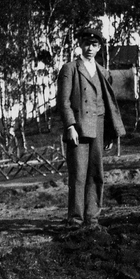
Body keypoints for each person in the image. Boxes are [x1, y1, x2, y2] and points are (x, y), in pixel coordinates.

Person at [56, 27, 127, 228]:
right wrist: (70, 125)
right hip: (78, 128)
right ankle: (76, 220)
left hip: (98, 127)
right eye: (86, 44)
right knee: (78, 174)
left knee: (96, 173)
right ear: (80, 45)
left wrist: (110, 133)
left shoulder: (103, 72)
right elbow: (63, 101)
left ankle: (92, 218)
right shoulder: (70, 69)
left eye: (94, 45)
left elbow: (107, 103)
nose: (90, 48)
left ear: (99, 48)